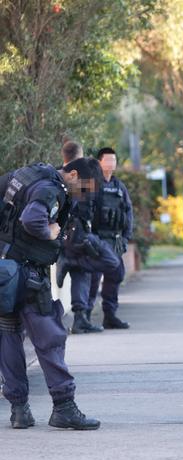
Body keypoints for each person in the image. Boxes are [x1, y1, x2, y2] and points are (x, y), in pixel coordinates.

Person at [0, 158, 101, 430]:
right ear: (74, 174)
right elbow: (32, 219)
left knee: (9, 337)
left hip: (5, 272)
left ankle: (19, 410)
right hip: (28, 274)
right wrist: (51, 231)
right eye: (85, 188)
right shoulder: (50, 189)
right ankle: (64, 406)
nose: (84, 195)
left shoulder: (23, 174)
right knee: (50, 337)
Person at [55, 158, 123, 334]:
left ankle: (80, 318)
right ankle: (81, 316)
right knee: (112, 263)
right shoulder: (76, 181)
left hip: (76, 235)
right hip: (79, 234)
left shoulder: (68, 180)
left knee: (81, 272)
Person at [85, 147, 133, 329]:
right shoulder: (89, 184)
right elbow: (77, 206)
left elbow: (128, 213)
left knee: (116, 275)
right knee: (93, 279)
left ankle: (110, 315)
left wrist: (126, 237)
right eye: (108, 160)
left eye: (114, 160)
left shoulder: (119, 186)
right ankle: (85, 316)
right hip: (95, 240)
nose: (111, 164)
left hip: (114, 240)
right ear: (99, 162)